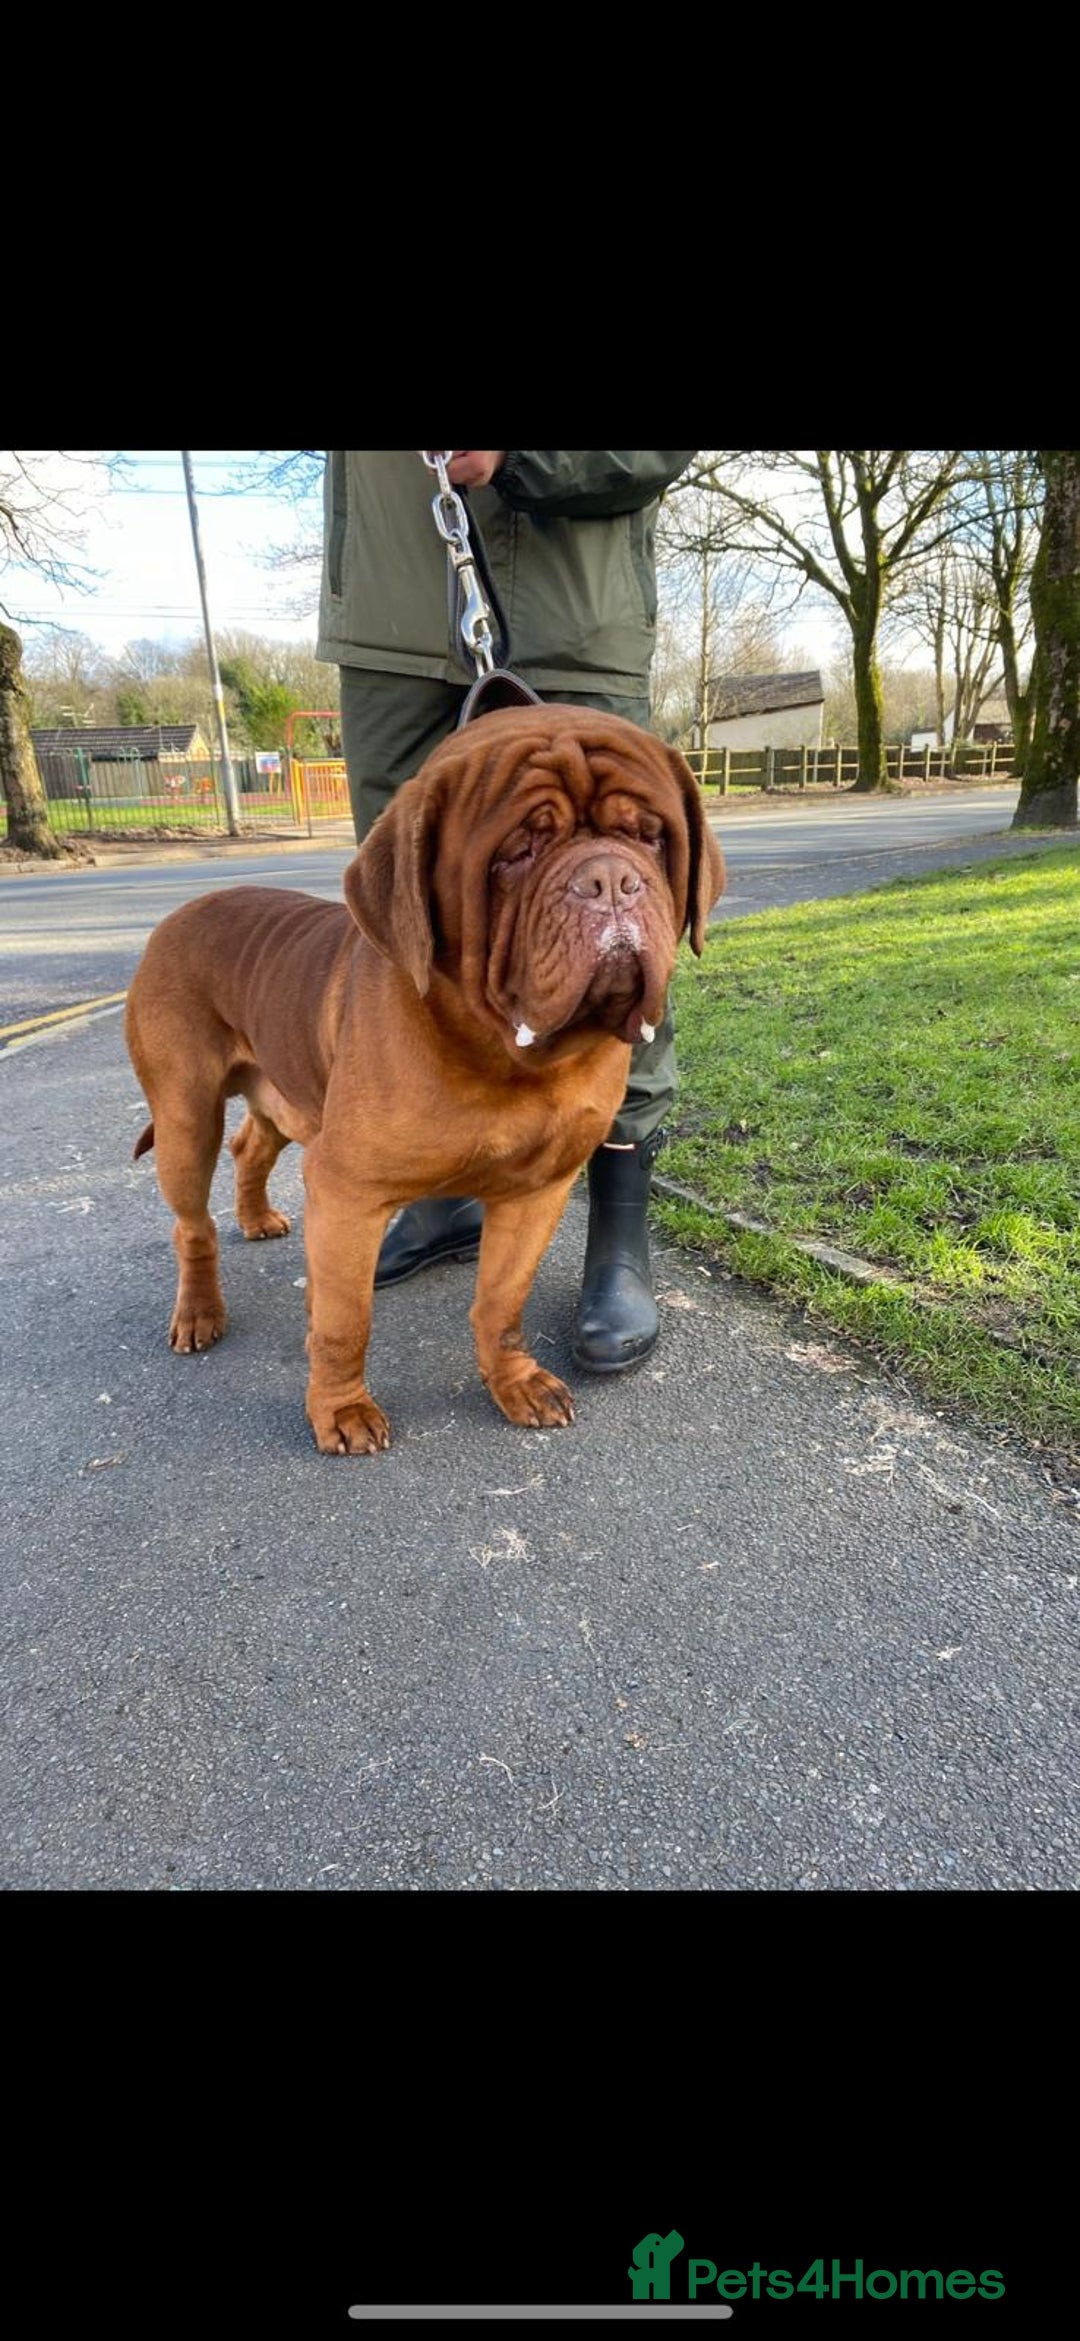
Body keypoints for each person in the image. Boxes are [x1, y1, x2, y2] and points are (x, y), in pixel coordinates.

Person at [316, 449, 697, 1372]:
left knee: (608, 947)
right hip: (389, 613)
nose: (609, 881)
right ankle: (437, 1187)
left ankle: (617, 1220)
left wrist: (524, 456)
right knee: (415, 937)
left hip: (575, 607)